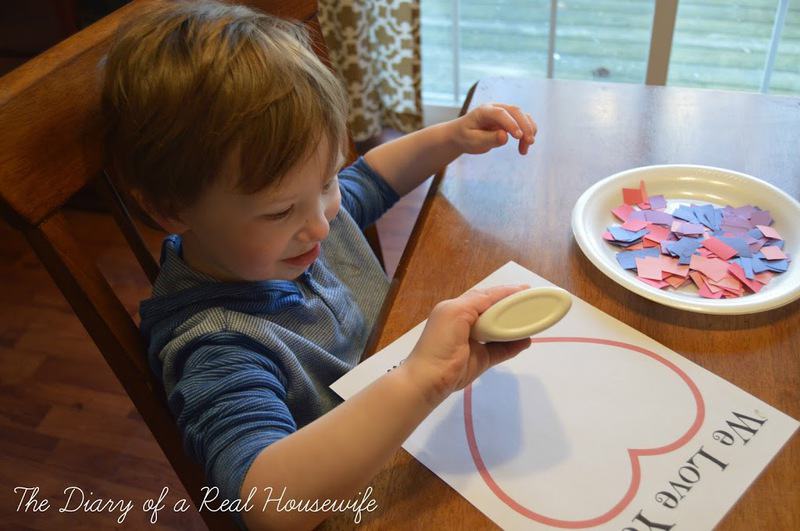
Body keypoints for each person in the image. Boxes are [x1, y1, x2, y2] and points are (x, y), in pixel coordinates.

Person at [100, 1, 537, 528]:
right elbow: (264, 502)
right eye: (280, 210)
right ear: (172, 209)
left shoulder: (298, 226)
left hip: (422, 424)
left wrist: (450, 137)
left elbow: (371, 179)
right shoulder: (213, 344)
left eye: (326, 180)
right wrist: (420, 381)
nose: (322, 224)